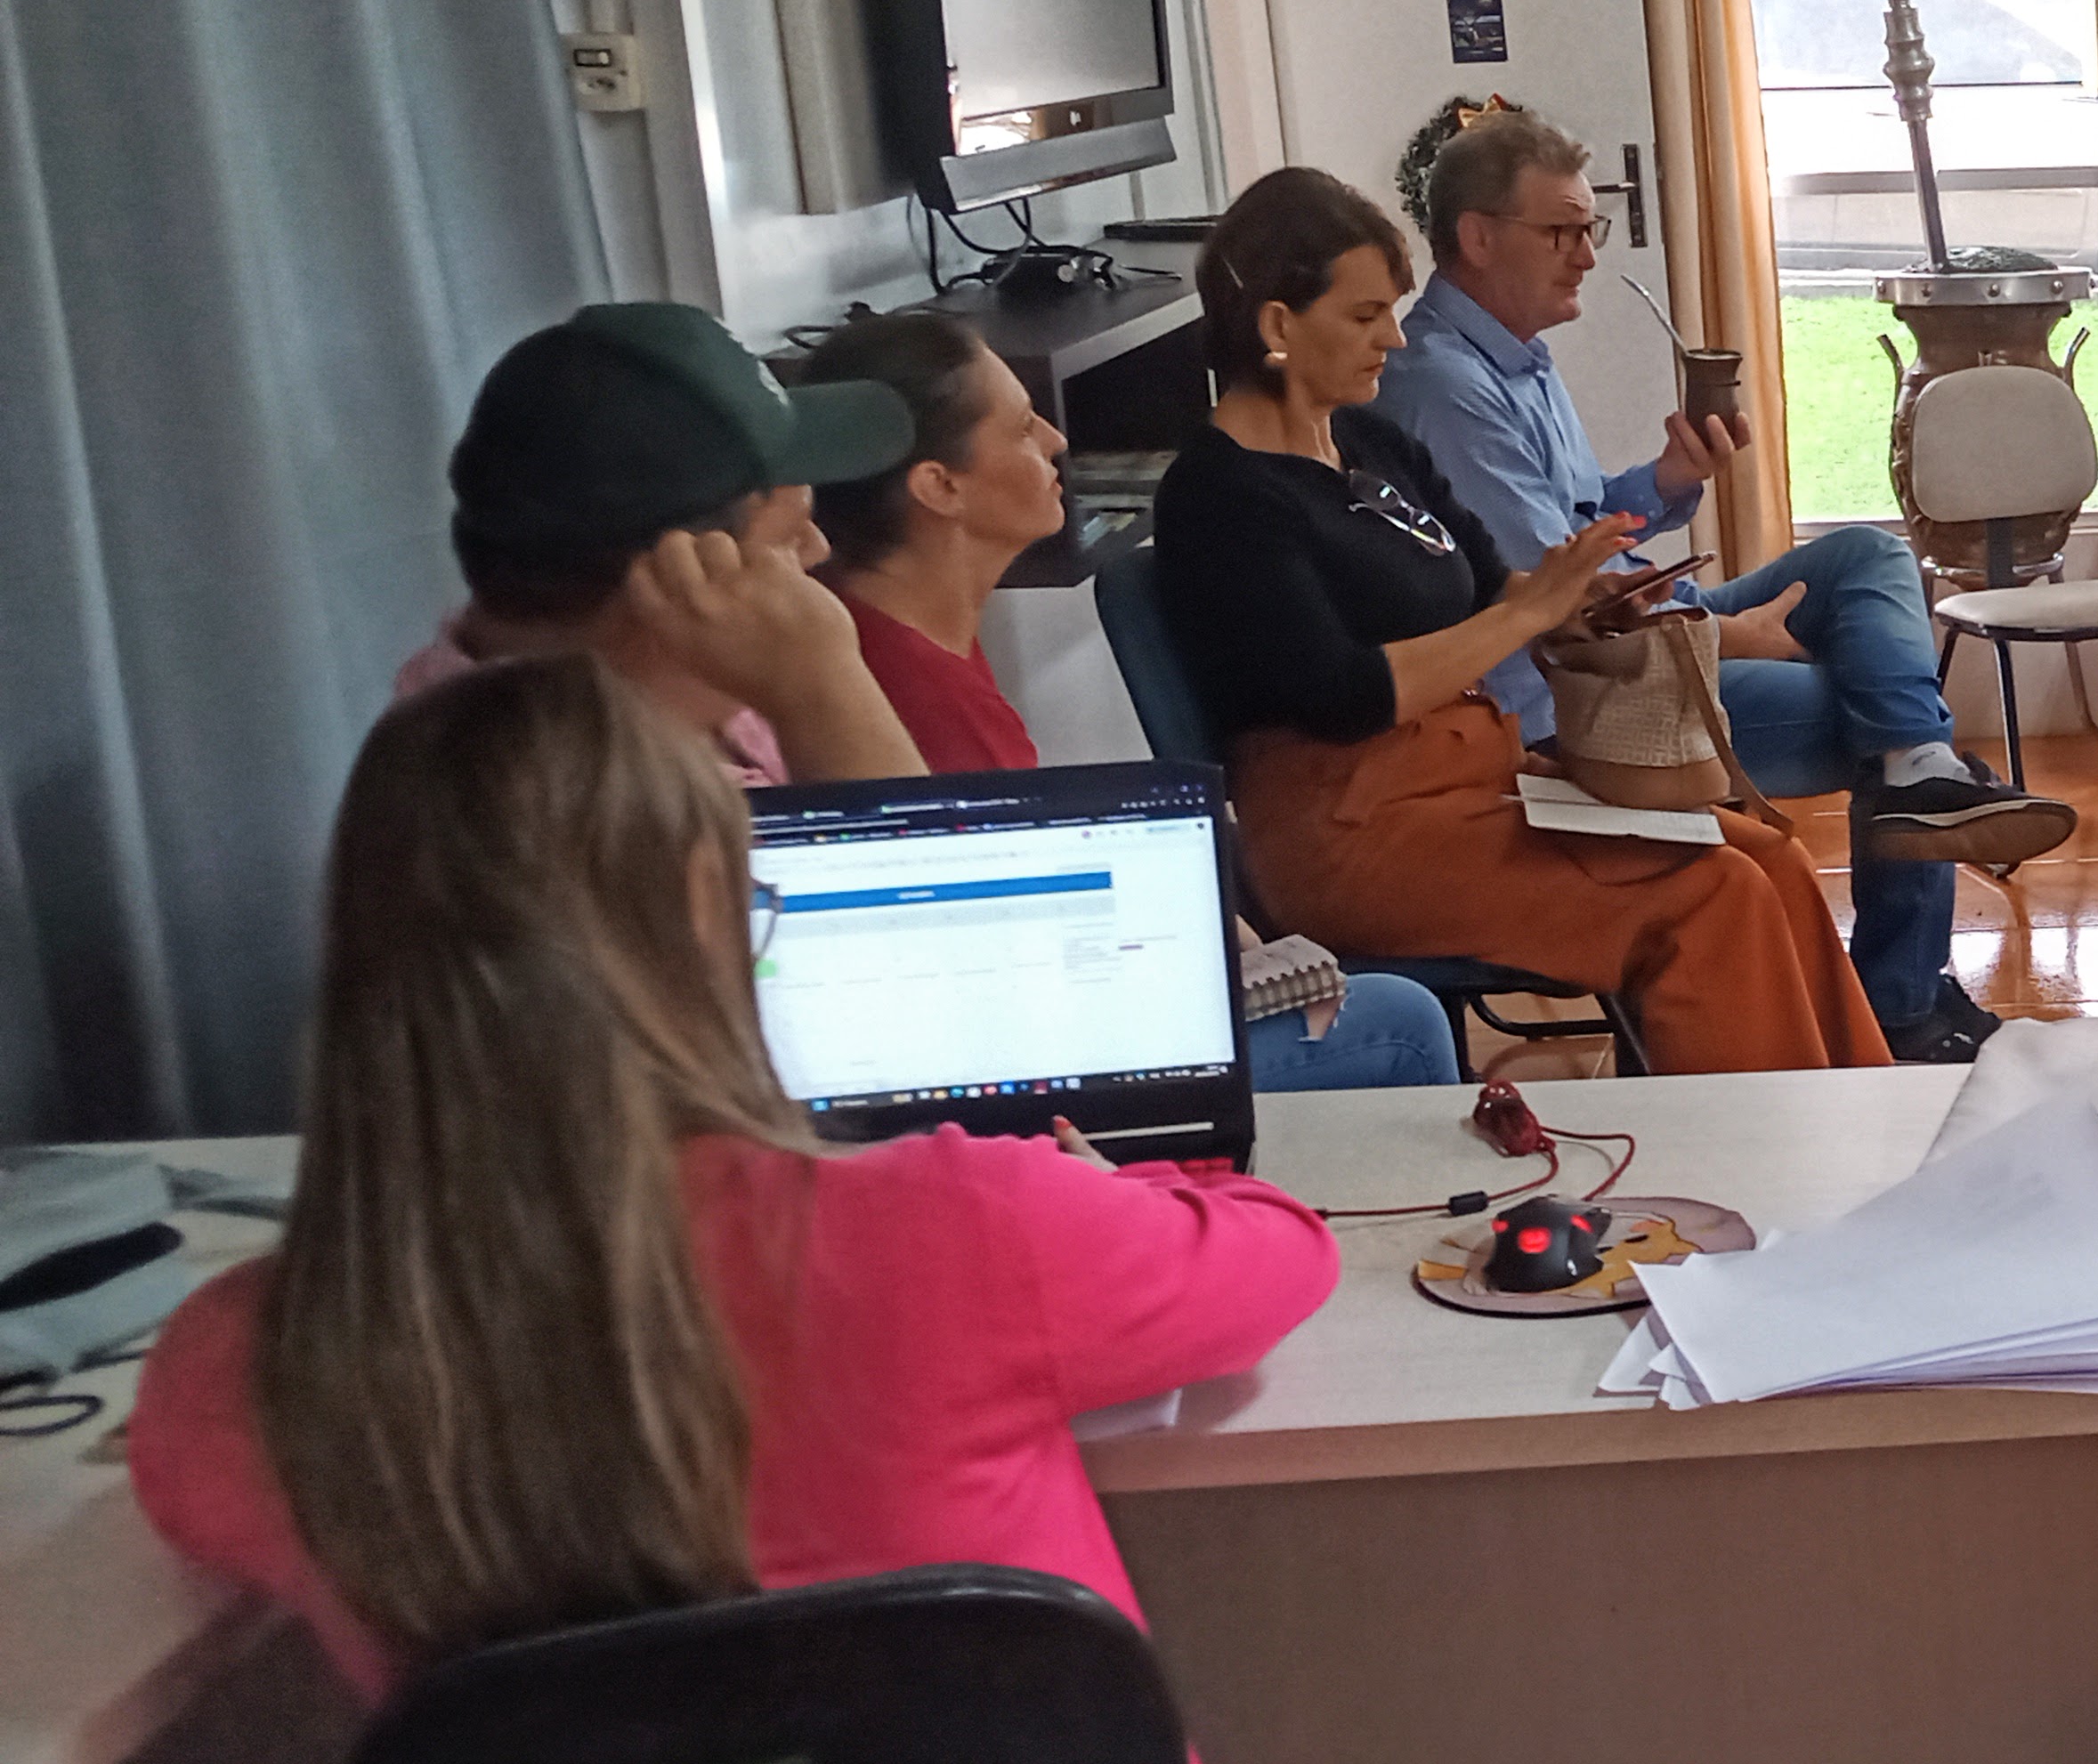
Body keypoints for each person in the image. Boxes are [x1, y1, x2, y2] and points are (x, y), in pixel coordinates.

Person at [130, 656, 1336, 1764]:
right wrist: (1100, 1192)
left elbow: (198, 1498)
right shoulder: (947, 1225)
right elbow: (1279, 1259)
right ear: (702, 931)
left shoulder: (246, 1363)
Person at [1149, 168, 1889, 1074]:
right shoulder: (1219, 496)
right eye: (1365, 315)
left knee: (1769, 859)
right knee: (1712, 895)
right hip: (1351, 836)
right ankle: (1762, 1150)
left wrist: (1582, 601)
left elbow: (1493, 588)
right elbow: (1346, 695)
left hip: (1472, 782)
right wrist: (1530, 611)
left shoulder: (1369, 442)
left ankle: (1859, 1123)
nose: (1393, 337)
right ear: (1277, 326)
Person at [1369, 104, 2065, 1063]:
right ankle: (1902, 991)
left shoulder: (1519, 360)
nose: (1586, 255)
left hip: (1633, 638)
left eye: (1589, 228)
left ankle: (1918, 777)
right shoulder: (1444, 386)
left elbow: (1582, 524)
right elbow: (1566, 596)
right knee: (1882, 715)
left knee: (1865, 558)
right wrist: (1725, 633)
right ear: (1478, 237)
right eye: (1562, 232)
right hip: (1578, 698)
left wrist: (1665, 481)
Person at [790, 311, 1464, 1093]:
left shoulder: (888, 629)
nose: (1055, 440)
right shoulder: (904, 691)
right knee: (1400, 1023)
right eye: (1022, 428)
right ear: (940, 486)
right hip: (1035, 1079)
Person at [406, 302, 929, 786]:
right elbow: (920, 857)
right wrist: (824, 686)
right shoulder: (575, 815)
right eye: (790, 536)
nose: (818, 547)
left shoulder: (687, 690)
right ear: (674, 576)